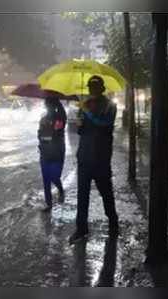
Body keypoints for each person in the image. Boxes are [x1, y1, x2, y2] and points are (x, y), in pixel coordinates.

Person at [69, 75, 119, 243]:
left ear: (101, 88)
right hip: (84, 157)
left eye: (95, 87)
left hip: (101, 158)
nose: (92, 91)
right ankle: (81, 229)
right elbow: (82, 132)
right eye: (90, 88)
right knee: (82, 196)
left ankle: (113, 223)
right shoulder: (85, 106)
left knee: (106, 193)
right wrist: (80, 122)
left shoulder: (110, 106)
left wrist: (88, 113)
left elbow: (104, 124)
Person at [38, 97, 67, 212]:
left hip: (56, 152)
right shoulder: (43, 119)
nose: (48, 108)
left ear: (54, 106)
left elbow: (57, 131)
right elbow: (40, 134)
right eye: (46, 105)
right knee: (46, 179)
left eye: (49, 105)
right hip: (45, 152)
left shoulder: (59, 119)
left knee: (54, 176)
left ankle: (60, 189)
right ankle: (48, 203)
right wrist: (42, 138)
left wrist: (58, 103)